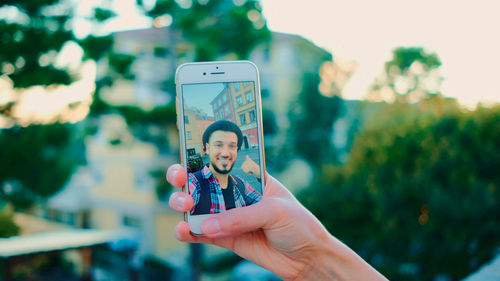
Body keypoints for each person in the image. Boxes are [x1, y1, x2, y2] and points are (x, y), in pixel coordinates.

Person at [167, 164, 388, 280]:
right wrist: (312, 259)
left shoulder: (243, 186)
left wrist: (311, 261)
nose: (224, 153)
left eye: (230, 146)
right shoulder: (201, 182)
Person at [189, 120, 262, 215]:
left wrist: (260, 173)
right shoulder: (193, 183)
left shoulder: (241, 184)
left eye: (232, 146)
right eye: (218, 145)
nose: (225, 153)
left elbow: (269, 207)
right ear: (207, 148)